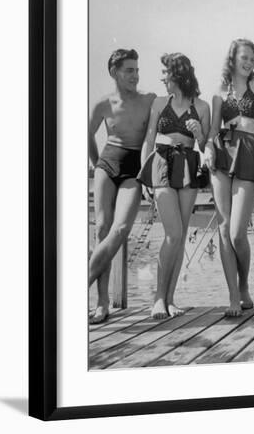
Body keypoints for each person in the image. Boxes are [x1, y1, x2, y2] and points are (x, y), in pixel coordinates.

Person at [137, 53, 210, 319]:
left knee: (179, 239)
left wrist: (199, 132)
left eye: (166, 72)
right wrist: (144, 175)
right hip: (161, 162)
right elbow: (148, 139)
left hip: (189, 165)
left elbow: (205, 146)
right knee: (173, 234)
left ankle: (170, 299)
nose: (162, 77)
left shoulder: (201, 107)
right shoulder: (158, 102)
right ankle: (157, 298)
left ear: (178, 74)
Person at [204, 38, 254, 316]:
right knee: (222, 229)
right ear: (232, 58)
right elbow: (211, 133)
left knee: (237, 233)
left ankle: (244, 285)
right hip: (222, 154)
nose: (249, 62)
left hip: (250, 153)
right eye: (244, 57)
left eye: (252, 58)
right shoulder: (220, 90)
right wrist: (208, 148)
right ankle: (234, 296)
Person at [88, 48, 156, 323]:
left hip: (132, 170)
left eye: (137, 70)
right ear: (115, 72)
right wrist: (96, 164)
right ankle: (102, 302)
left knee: (122, 228)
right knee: (102, 228)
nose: (135, 75)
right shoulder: (103, 103)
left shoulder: (148, 100)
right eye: (129, 70)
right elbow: (87, 134)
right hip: (107, 164)